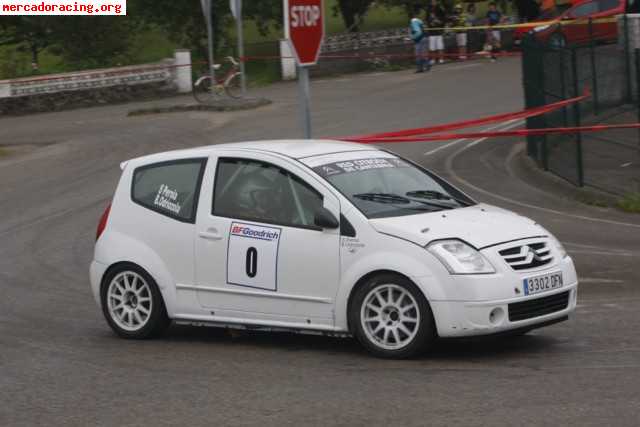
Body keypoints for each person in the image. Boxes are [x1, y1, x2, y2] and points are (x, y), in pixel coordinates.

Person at [427, 0, 447, 64]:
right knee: (432, 47)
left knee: (440, 46)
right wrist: (430, 23)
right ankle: (433, 59)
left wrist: (439, 22)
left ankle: (441, 59)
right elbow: (427, 19)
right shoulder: (428, 10)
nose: (433, 2)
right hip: (431, 31)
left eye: (434, 1)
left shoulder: (440, 9)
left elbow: (443, 19)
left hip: (439, 31)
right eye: (432, 1)